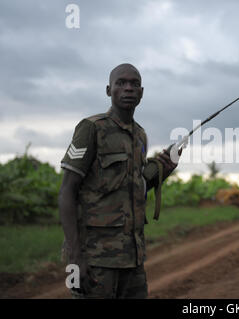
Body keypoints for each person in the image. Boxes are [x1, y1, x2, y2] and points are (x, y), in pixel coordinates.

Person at [58, 63, 180, 298]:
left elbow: (136, 188)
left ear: (142, 93)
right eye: (121, 83)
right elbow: (66, 191)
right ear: (108, 90)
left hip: (132, 259)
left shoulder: (140, 135)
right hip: (96, 260)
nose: (128, 89)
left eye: (134, 84)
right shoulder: (91, 128)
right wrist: (74, 258)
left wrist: (164, 170)